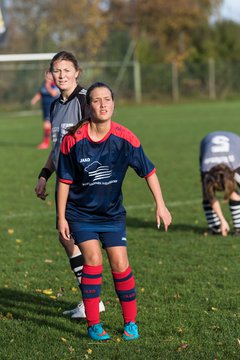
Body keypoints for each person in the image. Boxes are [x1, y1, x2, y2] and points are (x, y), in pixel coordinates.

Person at [57, 82, 172, 341]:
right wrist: (61, 217)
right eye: (96, 100)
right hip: (81, 214)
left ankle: (130, 322)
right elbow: (63, 181)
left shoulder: (125, 138)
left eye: (107, 99)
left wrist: (161, 205)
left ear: (114, 103)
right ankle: (94, 324)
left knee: (120, 263)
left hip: (112, 214)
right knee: (93, 260)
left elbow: (149, 171)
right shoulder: (73, 140)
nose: (103, 104)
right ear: (88, 107)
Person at [35, 51, 105, 319]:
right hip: (64, 183)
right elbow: (58, 149)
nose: (61, 75)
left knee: (85, 242)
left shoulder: (86, 99)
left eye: (66, 70)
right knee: (67, 238)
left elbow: (100, 136)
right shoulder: (55, 105)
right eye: (56, 70)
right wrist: (44, 174)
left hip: (84, 182)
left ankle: (94, 304)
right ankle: (92, 301)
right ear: (51, 74)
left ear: (77, 71)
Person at [200, 131, 240, 236]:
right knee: (206, 192)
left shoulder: (237, 167)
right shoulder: (206, 170)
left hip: (234, 142)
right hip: (207, 142)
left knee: (234, 193)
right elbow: (211, 196)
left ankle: (239, 227)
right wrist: (222, 220)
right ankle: (215, 227)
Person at [31, 72, 59, 149]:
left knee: (47, 125)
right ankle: (49, 142)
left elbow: (54, 94)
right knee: (47, 125)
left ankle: (46, 143)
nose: (47, 77)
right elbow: (40, 92)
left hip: (52, 107)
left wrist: (48, 87)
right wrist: (34, 99)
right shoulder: (44, 84)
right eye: (46, 75)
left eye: (49, 75)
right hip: (45, 108)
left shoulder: (54, 84)